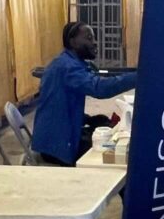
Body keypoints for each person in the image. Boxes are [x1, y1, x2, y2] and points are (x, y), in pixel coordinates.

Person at [30, 22, 138, 167]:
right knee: (113, 156)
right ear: (73, 42)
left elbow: (62, 105)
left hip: (55, 137)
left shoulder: (66, 62)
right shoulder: (67, 67)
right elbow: (99, 88)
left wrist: (89, 119)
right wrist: (139, 77)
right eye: (88, 38)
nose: (94, 43)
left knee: (109, 145)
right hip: (58, 146)